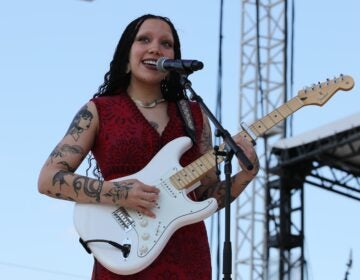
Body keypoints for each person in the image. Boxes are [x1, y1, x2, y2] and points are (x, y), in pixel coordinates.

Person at [37, 14, 259, 280]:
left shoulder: (195, 115)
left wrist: (245, 176)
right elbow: (49, 179)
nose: (156, 48)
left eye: (166, 44)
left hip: (187, 259)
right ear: (126, 57)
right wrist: (116, 193)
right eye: (144, 40)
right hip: (123, 253)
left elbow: (205, 196)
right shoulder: (98, 111)